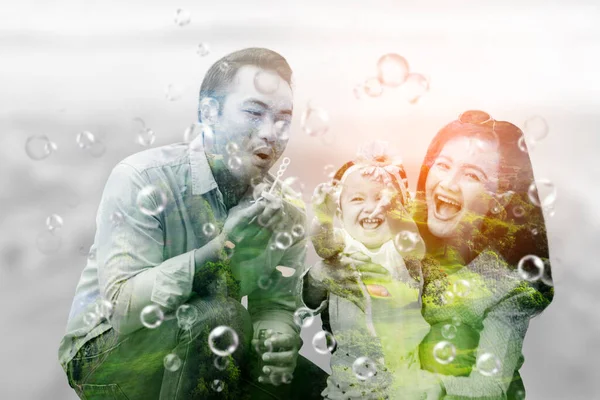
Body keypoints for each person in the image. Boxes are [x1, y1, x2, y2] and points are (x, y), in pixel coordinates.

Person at [58, 48, 325, 400]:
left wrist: (277, 336)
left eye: (283, 119)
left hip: (211, 345)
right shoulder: (142, 177)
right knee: (219, 315)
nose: (271, 132)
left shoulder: (285, 209)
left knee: (321, 390)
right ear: (209, 112)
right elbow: (123, 309)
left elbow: (273, 305)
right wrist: (223, 246)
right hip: (103, 353)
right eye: (254, 112)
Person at [410, 110, 554, 399]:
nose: (449, 183)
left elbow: (486, 389)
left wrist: (413, 388)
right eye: (443, 165)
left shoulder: (509, 286)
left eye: (472, 175)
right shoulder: (403, 252)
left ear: (500, 200)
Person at [303, 142, 430, 399]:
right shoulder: (341, 246)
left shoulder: (398, 250)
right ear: (340, 211)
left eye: (383, 198)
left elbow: (415, 246)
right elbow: (322, 245)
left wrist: (394, 211)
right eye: (357, 199)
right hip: (349, 383)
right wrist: (323, 218)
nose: (372, 207)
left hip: (402, 383)